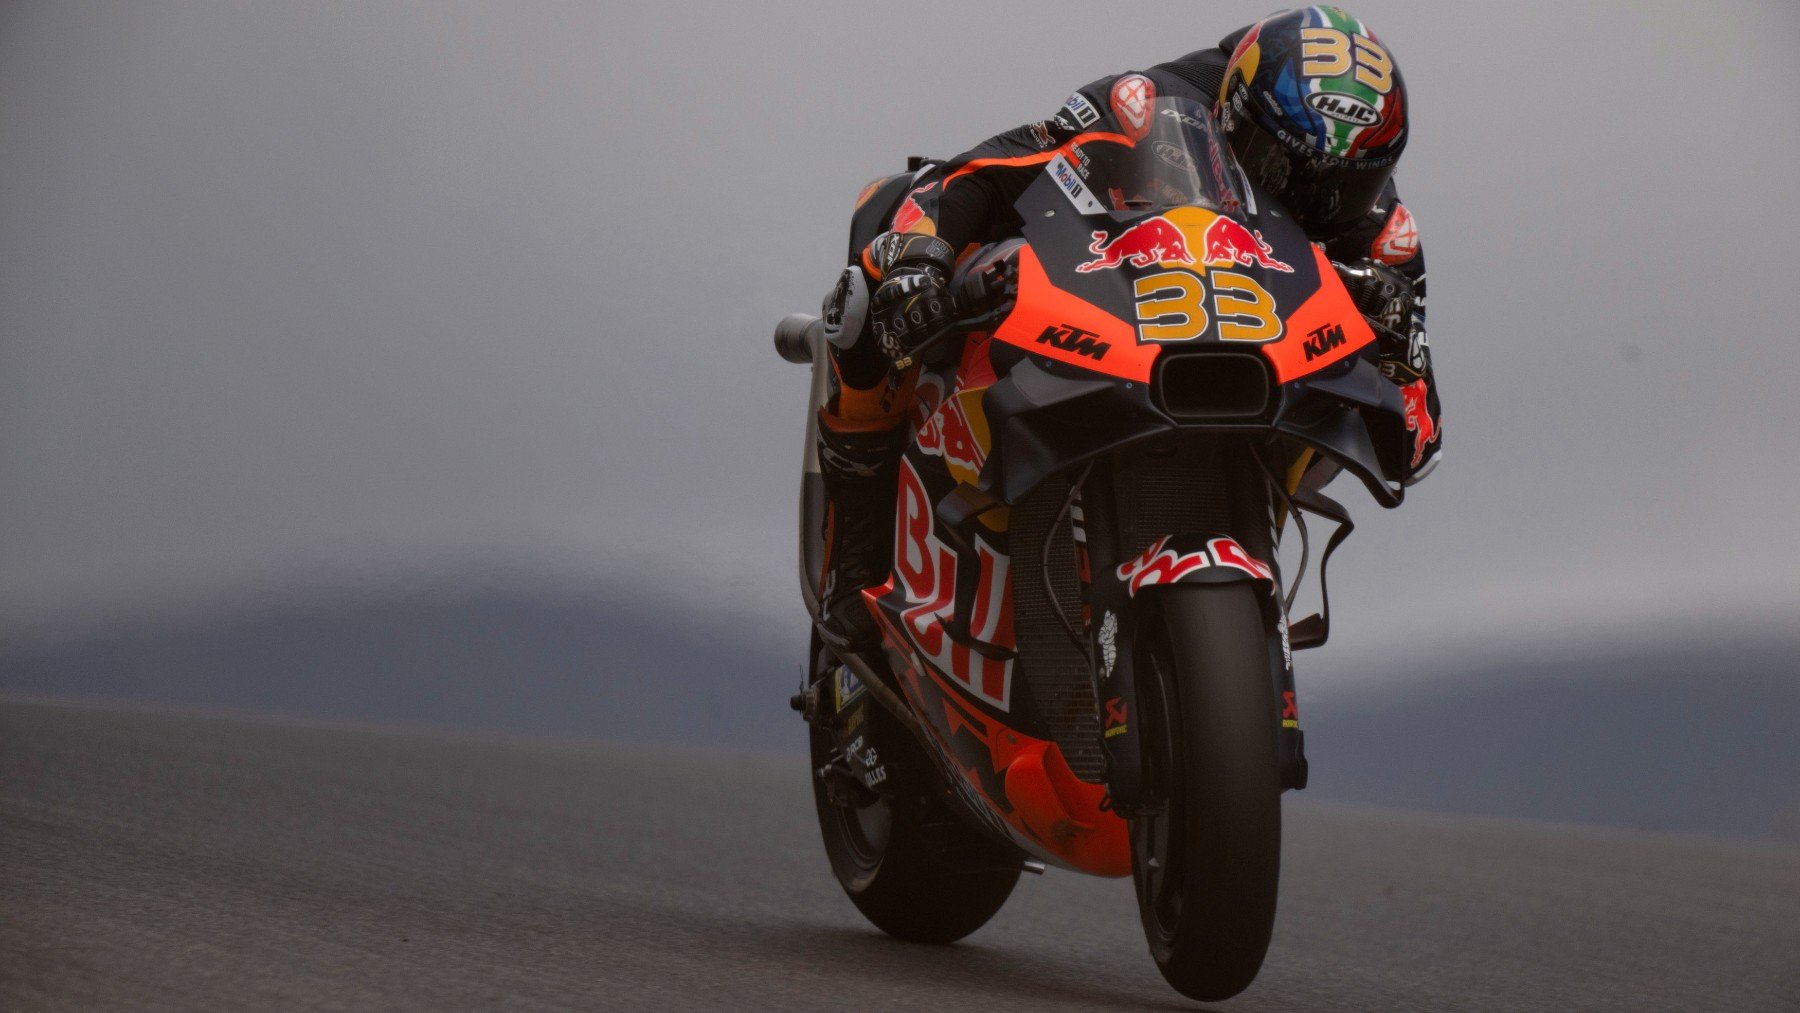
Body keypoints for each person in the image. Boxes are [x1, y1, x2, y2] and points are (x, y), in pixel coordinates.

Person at [813, 6, 1440, 651]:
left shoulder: (1384, 231)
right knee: (868, 293)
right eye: (1284, 174)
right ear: (1236, 118)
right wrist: (922, 256)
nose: (1317, 206)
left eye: (1349, 186)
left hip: (1260, 377)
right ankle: (853, 554)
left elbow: (1416, 443)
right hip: (1111, 307)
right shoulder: (1146, 104)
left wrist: (1394, 345)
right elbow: (982, 172)